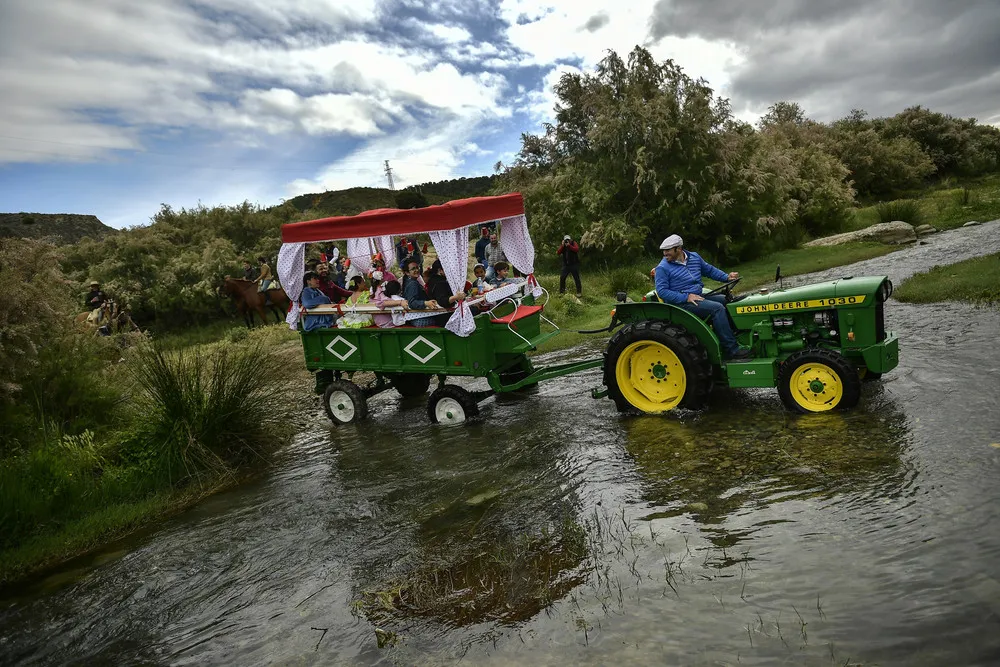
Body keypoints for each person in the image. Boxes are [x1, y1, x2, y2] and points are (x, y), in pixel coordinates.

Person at [654, 234, 748, 360]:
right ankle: (732, 350)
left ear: (679, 249)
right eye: (664, 251)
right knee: (717, 308)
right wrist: (686, 297)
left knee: (726, 300)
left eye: (668, 250)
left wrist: (726, 277)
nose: (665, 254)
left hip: (697, 296)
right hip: (679, 303)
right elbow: (662, 291)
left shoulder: (694, 257)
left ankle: (735, 336)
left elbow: (709, 270)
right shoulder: (663, 268)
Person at [426, 259, 467, 325]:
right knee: (474, 310)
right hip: (443, 316)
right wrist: (456, 297)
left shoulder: (433, 280)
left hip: (440, 315)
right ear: (440, 271)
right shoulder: (439, 283)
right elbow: (442, 301)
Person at [401, 259, 439, 327]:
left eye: (417, 267)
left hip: (416, 317)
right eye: (413, 269)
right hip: (418, 319)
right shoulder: (413, 284)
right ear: (407, 273)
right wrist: (426, 303)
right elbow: (412, 303)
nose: (417, 270)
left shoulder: (411, 281)